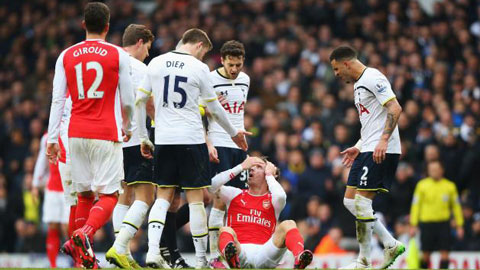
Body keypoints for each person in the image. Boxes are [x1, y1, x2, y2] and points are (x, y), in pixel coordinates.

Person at [135, 28, 250, 268]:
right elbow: (215, 109)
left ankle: (154, 252)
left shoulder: (156, 62)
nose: (202, 58)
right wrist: (234, 133)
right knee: (197, 199)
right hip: (191, 139)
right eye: (204, 53)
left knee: (164, 197)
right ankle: (200, 260)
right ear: (199, 45)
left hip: (164, 139)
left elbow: (140, 99)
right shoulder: (199, 69)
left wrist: (144, 136)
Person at [46, 2, 135, 268]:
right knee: (110, 195)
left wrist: (52, 139)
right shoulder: (118, 54)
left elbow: (57, 100)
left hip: (75, 134)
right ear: (108, 26)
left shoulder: (66, 55)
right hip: (106, 133)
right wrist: (128, 127)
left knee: (83, 196)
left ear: (83, 24)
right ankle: (82, 235)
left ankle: (84, 258)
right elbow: (128, 100)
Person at [329, 46, 405, 269]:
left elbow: (395, 108)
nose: (336, 74)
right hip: (368, 147)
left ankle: (363, 259)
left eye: (336, 69)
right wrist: (358, 145)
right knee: (350, 201)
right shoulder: (358, 85)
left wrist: (382, 141)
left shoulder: (373, 77)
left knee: (362, 202)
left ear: (346, 64)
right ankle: (389, 242)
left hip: (381, 149)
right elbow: (372, 122)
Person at [105, 24, 154, 269]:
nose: (148, 53)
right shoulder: (139, 67)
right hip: (135, 138)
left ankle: (120, 257)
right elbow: (149, 104)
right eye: (148, 48)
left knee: (123, 195)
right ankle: (120, 246)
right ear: (140, 42)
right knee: (146, 195)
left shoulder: (110, 62)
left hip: (110, 138)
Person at [210, 156, 313, 269]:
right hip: (240, 251)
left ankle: (299, 258)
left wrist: (269, 175)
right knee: (225, 230)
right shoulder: (234, 194)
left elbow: (281, 196)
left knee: (289, 224)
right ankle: (233, 261)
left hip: (264, 253)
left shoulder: (274, 200)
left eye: (259, 167)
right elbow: (211, 185)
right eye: (251, 167)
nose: (251, 169)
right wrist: (241, 167)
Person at [205, 40, 250, 267]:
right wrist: (208, 142)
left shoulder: (245, 80)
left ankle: (233, 252)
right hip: (220, 143)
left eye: (238, 65)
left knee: (237, 202)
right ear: (221, 60)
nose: (234, 70)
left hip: (239, 146)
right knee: (220, 199)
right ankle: (213, 255)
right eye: (230, 64)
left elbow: (237, 113)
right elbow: (200, 112)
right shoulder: (210, 80)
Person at [409, 160, 464, 269]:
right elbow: (416, 206)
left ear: (442, 170)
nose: (434, 171)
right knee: (425, 254)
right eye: (431, 170)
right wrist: (413, 224)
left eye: (436, 169)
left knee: (445, 253)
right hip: (426, 224)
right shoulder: (422, 185)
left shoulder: (450, 186)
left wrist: (459, 225)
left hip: (443, 224)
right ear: (428, 171)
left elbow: (456, 207)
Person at [31, 133, 69, 268]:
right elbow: (42, 160)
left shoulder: (71, 133)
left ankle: (77, 262)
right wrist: (35, 184)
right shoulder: (47, 137)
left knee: (68, 228)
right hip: (52, 188)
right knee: (52, 225)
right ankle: (53, 264)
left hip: (69, 188)